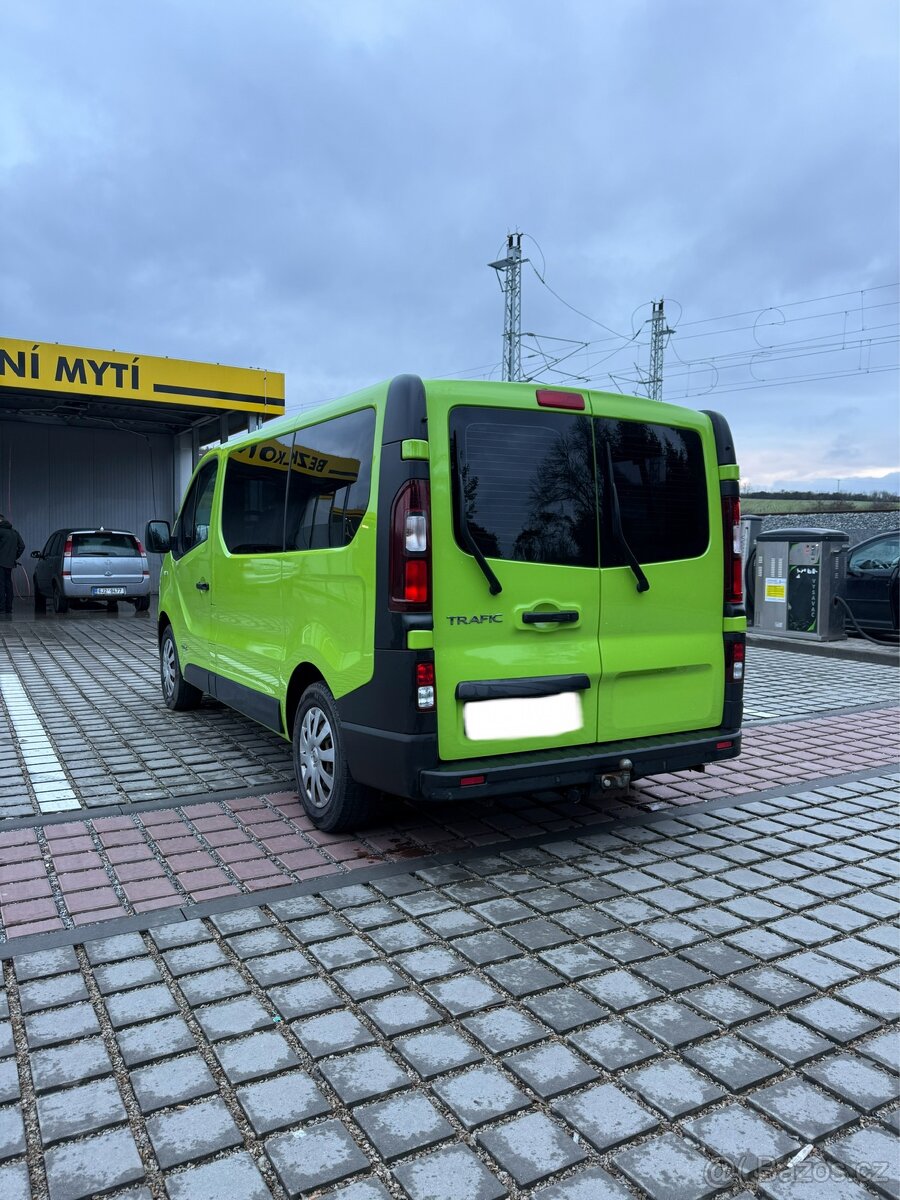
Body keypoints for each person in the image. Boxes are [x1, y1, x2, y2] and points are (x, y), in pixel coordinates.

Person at [0, 515, 25, 619]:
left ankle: (1, 608)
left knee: (0, 586)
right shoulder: (14, 532)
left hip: (0, 563)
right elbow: (22, 546)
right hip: (9, 563)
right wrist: (14, 557)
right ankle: (9, 608)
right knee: (8, 585)